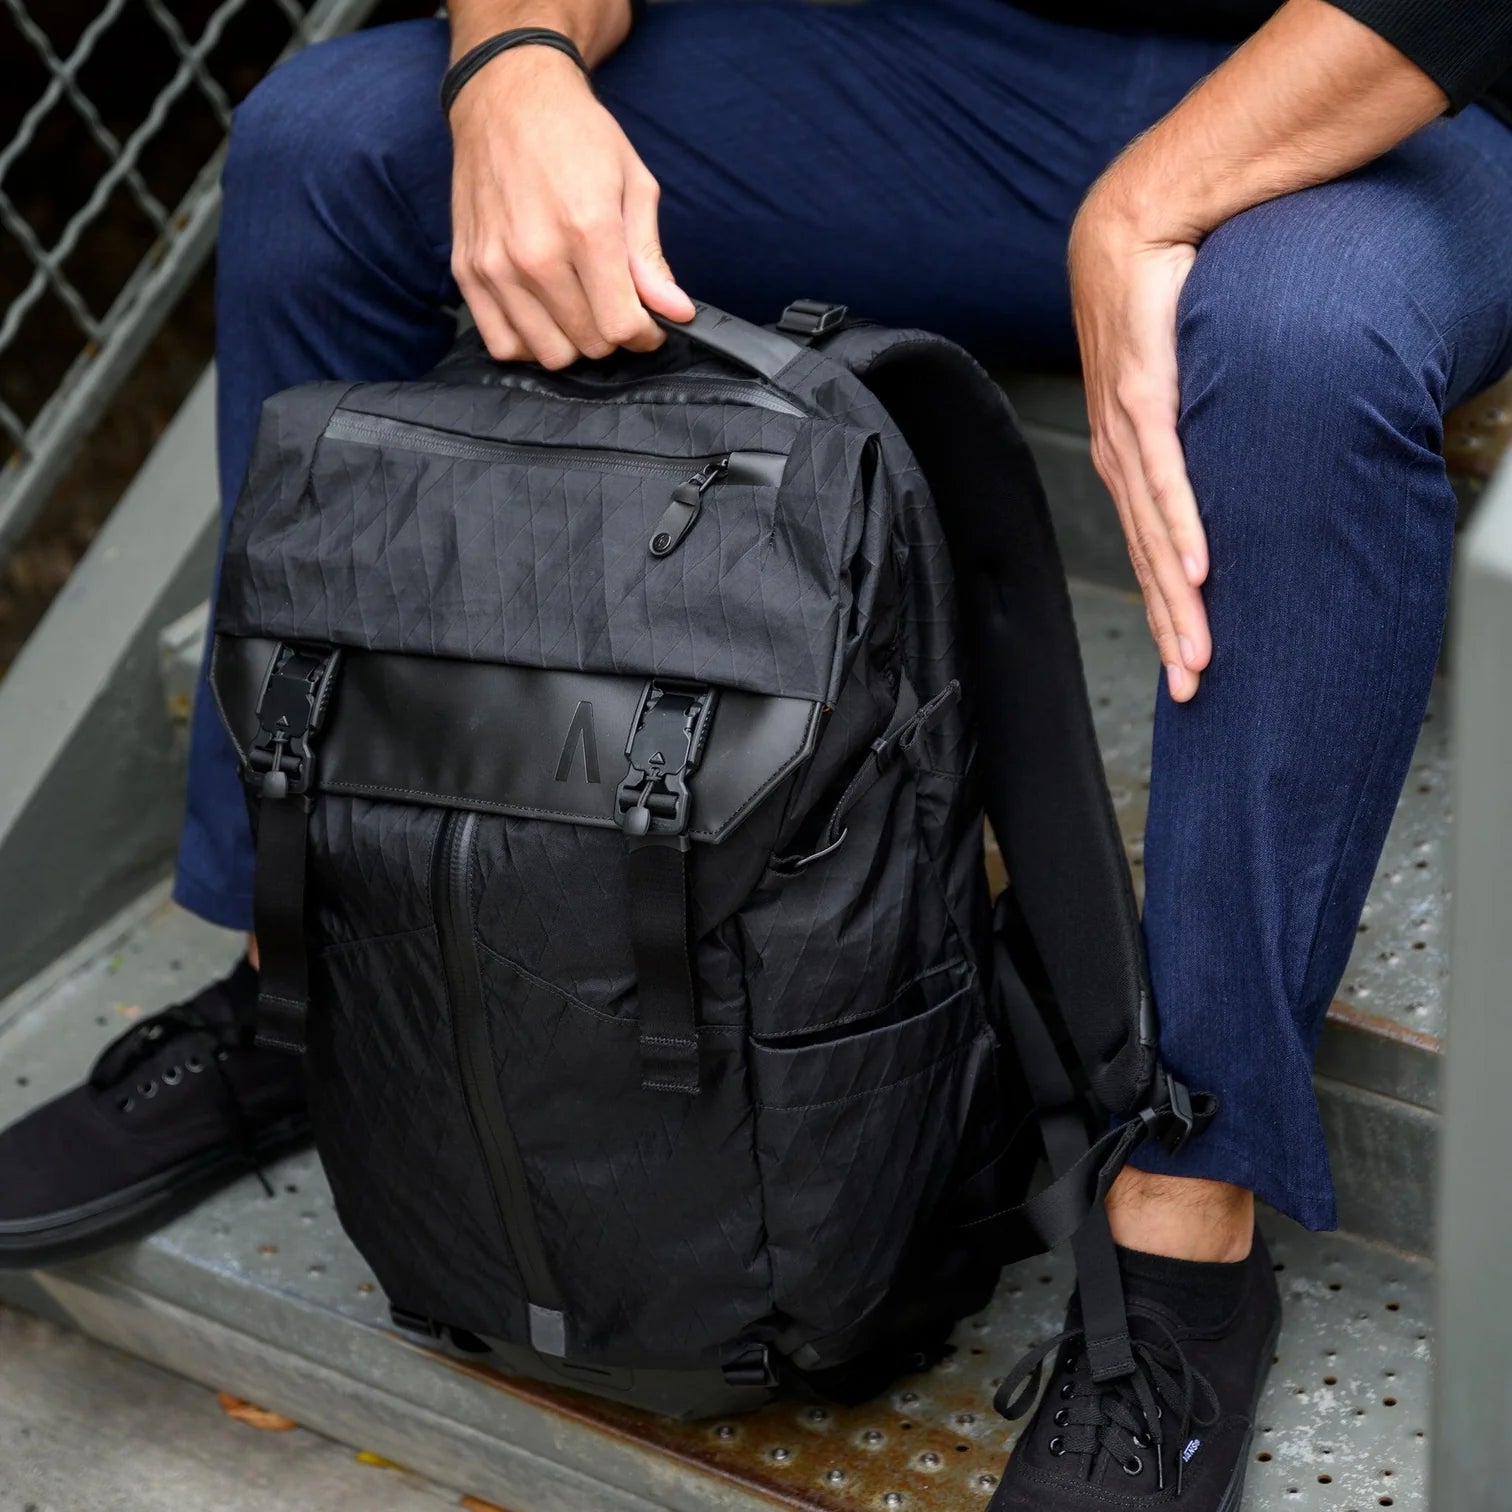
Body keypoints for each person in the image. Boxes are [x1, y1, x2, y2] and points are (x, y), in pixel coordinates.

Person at [3, 0, 1510, 1503]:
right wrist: (512, 61)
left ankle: (1187, 1233)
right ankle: (301, 984)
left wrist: (1143, 207)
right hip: (941, 71)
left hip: (1380, 99)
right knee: (329, 146)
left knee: (1299, 342)